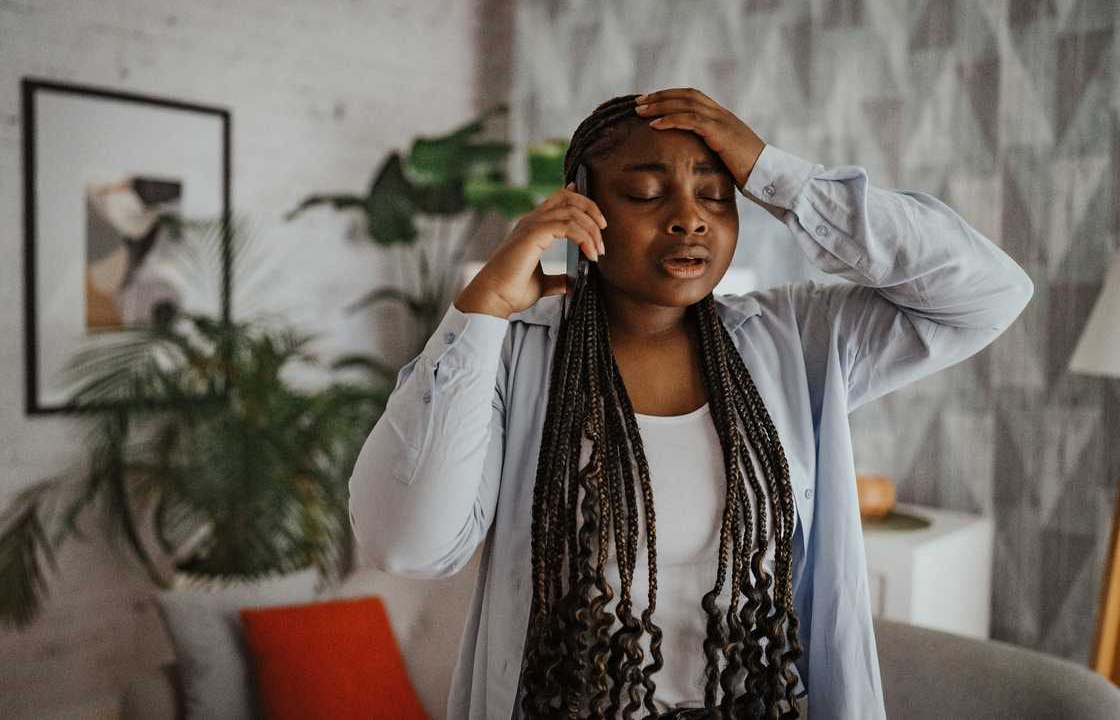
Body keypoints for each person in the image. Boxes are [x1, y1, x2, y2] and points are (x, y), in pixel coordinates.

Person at [348, 89, 1034, 720]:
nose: (688, 220)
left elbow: (987, 294)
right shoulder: (513, 356)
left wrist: (775, 174)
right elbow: (406, 543)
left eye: (715, 195)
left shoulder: (791, 340)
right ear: (577, 204)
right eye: (647, 192)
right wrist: (481, 312)